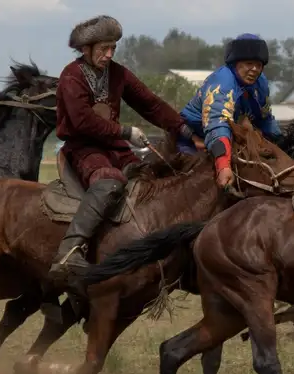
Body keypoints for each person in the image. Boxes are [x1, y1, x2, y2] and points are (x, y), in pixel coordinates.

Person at [48, 15, 201, 283]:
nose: (109, 55)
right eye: (104, 49)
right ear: (86, 49)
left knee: (150, 179)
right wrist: (125, 132)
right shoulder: (70, 77)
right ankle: (69, 250)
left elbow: (151, 104)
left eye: (113, 49)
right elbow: (82, 121)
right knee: (110, 183)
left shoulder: (118, 73)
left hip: (115, 149)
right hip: (83, 149)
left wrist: (186, 131)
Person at [180, 33, 282, 189]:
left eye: (259, 65)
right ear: (235, 64)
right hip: (193, 140)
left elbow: (265, 117)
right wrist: (223, 165)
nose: (255, 69)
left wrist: (281, 142)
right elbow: (218, 126)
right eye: (249, 63)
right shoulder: (222, 83)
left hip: (232, 141)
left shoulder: (261, 83)